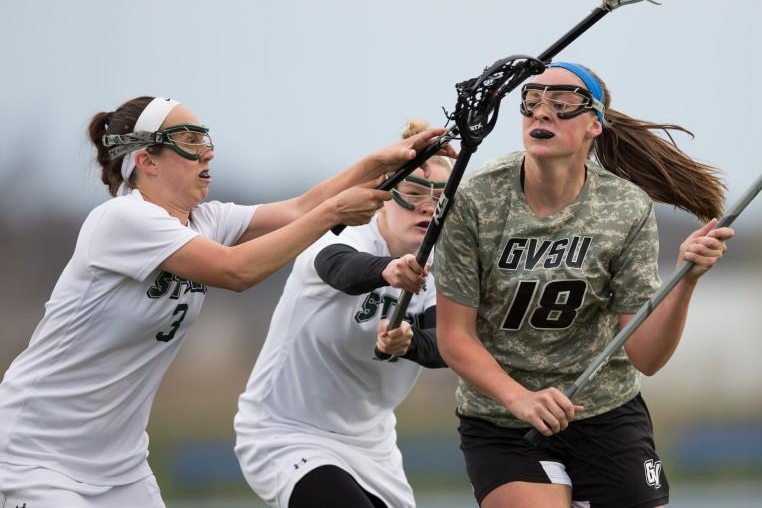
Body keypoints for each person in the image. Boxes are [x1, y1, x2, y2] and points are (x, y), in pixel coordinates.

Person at [0, 97, 449, 508]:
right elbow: (237, 271)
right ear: (145, 161)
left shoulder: (205, 220)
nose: (208, 152)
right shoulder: (123, 219)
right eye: (189, 142)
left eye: (206, 138)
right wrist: (333, 214)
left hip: (120, 466)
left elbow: (300, 208)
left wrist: (379, 161)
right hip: (36, 453)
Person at [435, 62, 735, 508]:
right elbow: (454, 336)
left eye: (562, 105)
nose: (542, 113)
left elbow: (646, 357)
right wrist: (521, 400)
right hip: (503, 419)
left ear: (594, 124)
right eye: (532, 102)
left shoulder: (626, 207)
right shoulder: (473, 198)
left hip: (604, 412)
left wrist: (685, 280)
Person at [235, 119, 452, 508]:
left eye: (439, 197)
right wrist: (387, 270)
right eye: (414, 192)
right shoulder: (346, 235)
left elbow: (444, 343)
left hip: (373, 444)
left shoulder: (444, 263)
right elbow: (338, 268)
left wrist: (410, 343)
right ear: (387, 194)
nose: (426, 206)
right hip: (287, 432)